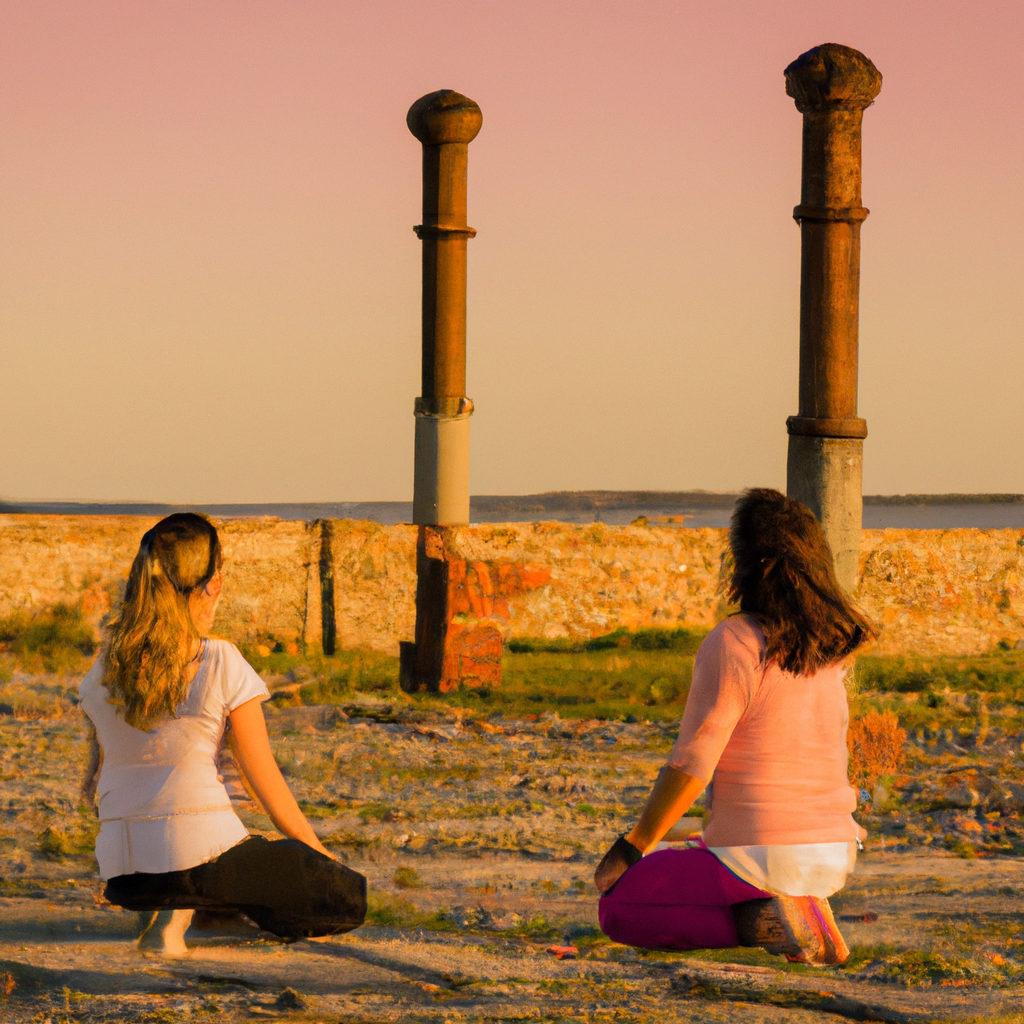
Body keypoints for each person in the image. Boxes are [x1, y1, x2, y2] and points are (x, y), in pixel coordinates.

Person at [594, 488, 875, 965]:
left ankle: (766, 920)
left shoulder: (736, 640)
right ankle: (804, 914)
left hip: (765, 855)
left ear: (744, 562)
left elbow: (694, 759)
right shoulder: (830, 648)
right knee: (698, 851)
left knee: (618, 906)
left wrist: (633, 845)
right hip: (834, 851)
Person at [78, 513, 366, 954]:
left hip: (122, 874)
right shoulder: (220, 659)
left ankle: (173, 921)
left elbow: (108, 772)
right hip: (194, 858)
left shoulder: (103, 669)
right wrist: (317, 854)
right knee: (345, 896)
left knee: (217, 847)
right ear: (211, 585)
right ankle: (173, 931)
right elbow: (262, 775)